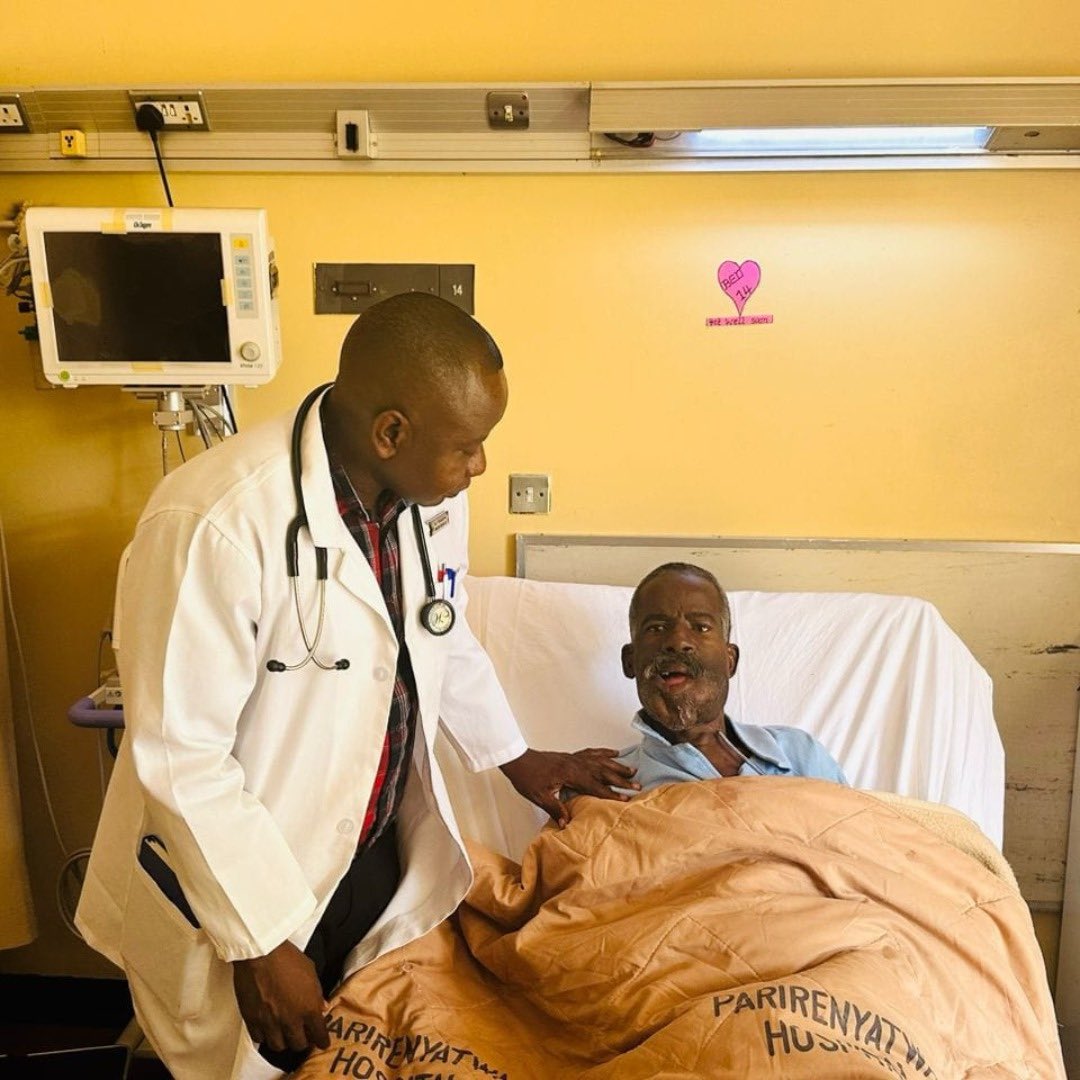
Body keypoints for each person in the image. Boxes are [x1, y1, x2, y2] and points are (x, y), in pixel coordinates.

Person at [75, 293, 637, 1080]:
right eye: (468, 447)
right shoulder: (215, 523)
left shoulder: (425, 501)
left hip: (363, 852)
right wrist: (262, 941)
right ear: (392, 432)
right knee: (247, 1064)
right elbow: (180, 758)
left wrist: (517, 758)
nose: (480, 466)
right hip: (247, 875)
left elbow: (442, 629)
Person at [617, 562, 848, 788]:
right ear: (630, 662)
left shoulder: (799, 753)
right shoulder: (609, 780)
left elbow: (862, 825)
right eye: (656, 628)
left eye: (701, 627)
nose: (678, 642)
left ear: (730, 661)